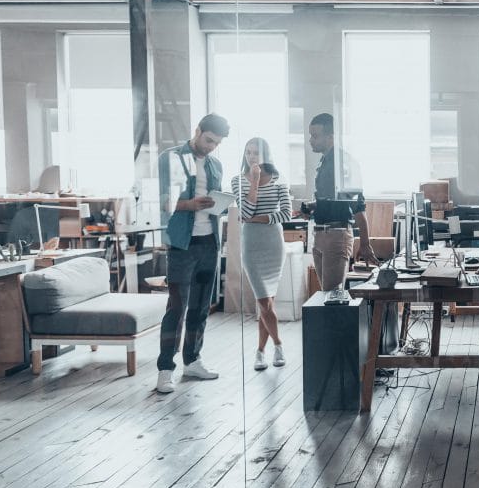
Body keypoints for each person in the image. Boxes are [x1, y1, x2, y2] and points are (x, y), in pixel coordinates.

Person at [155, 113, 230, 394]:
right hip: (181, 245)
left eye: (216, 143)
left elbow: (216, 203)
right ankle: (165, 370)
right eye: (209, 140)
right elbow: (164, 202)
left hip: (209, 243)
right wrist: (191, 204)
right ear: (197, 131)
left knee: (200, 308)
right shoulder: (170, 158)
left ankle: (193, 360)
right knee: (176, 308)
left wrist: (218, 205)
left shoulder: (216, 165)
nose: (211, 146)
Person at [231, 138, 292, 371]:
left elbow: (286, 214)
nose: (251, 157)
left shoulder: (279, 180)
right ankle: (278, 344)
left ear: (266, 154)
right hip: (252, 246)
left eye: (256, 153)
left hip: (273, 245)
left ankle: (260, 352)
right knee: (264, 301)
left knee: (266, 304)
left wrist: (258, 219)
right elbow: (244, 210)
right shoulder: (237, 180)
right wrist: (254, 181)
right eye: (248, 152)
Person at [300, 112, 379, 291]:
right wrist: (312, 208)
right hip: (320, 234)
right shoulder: (325, 162)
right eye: (310, 135)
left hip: (336, 235)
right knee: (327, 295)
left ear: (330, 137)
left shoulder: (344, 163)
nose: (311, 140)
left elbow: (358, 206)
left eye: (315, 136)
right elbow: (331, 202)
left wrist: (365, 244)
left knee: (333, 296)